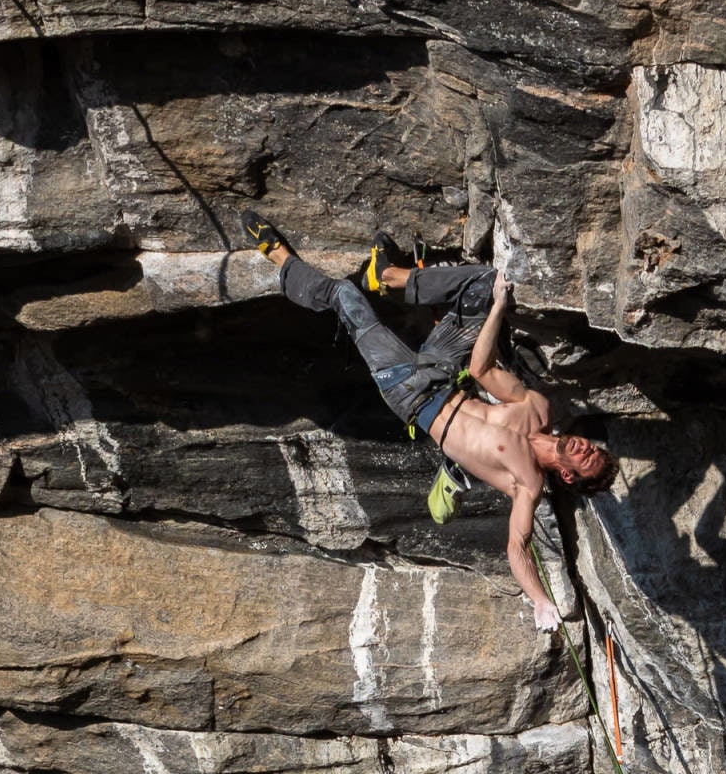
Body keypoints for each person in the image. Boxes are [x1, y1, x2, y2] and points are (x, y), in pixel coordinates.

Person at [240, 210, 618, 631]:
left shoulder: (525, 484)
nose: (587, 448)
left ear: (568, 477)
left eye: (589, 460)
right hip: (443, 373)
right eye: (594, 448)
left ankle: (280, 257)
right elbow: (481, 370)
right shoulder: (538, 410)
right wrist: (496, 308)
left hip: (410, 391)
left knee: (345, 299)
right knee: (481, 284)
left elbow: (517, 547)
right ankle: (389, 275)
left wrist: (540, 600)